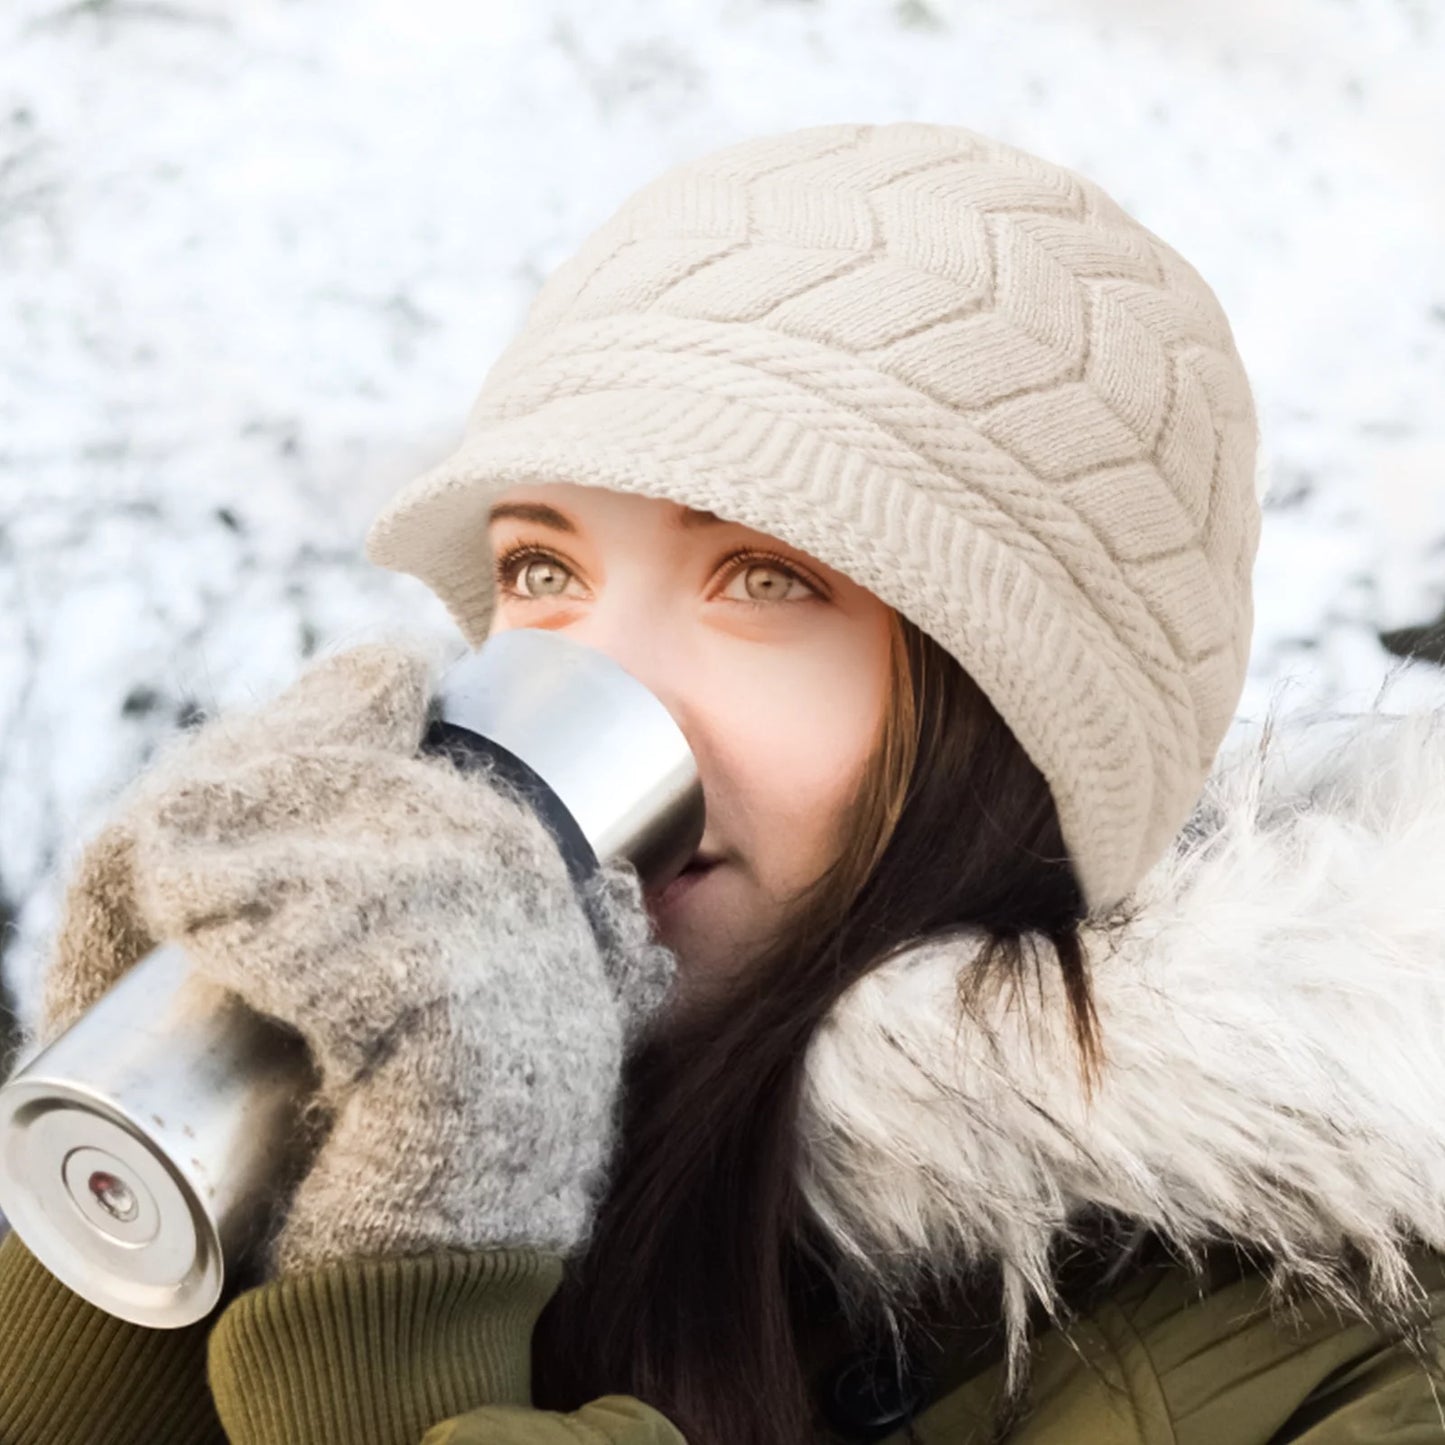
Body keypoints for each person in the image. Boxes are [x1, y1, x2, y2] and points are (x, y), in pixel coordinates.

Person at [2, 119, 1443, 1445]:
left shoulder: (1359, 1358)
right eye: (541, 570)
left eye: (763, 578)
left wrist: (417, 1294)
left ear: (1020, 722)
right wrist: (183, 1075)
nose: (598, 682)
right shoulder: (421, 1094)